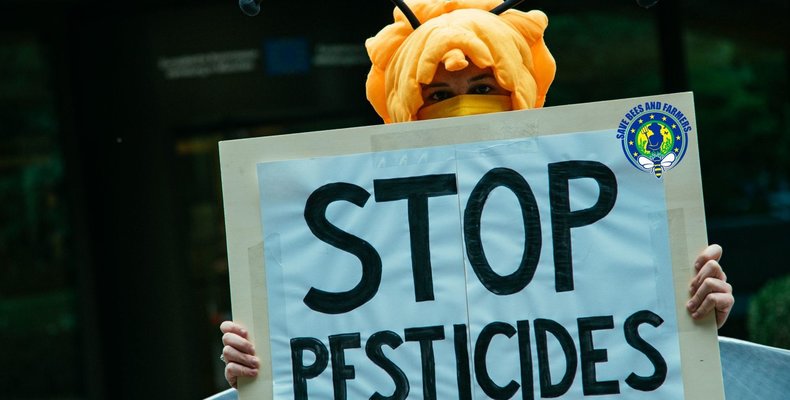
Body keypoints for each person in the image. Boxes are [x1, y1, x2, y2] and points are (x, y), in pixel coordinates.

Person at [220, 0, 734, 388]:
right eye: (438, 95)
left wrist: (691, 318)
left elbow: (631, 337)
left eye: (485, 88)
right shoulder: (354, 225)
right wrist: (266, 364)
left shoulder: (602, 202)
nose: (463, 107)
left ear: (522, 93)